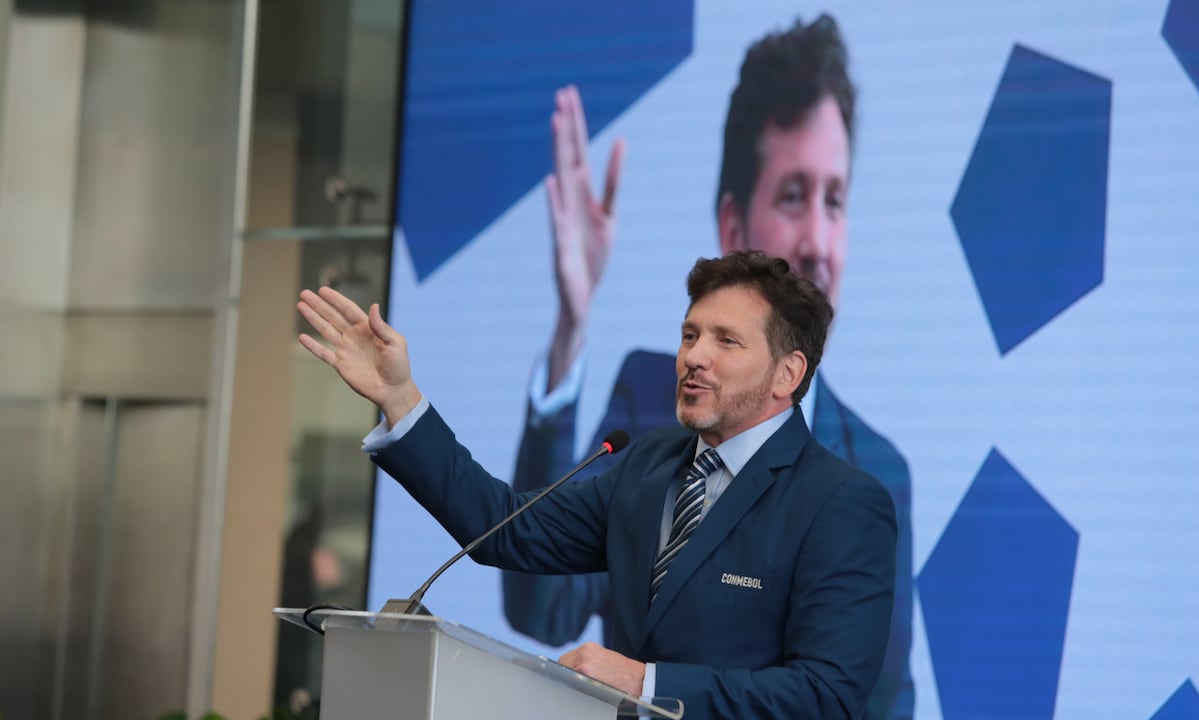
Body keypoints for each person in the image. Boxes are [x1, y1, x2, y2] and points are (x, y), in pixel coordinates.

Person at [509, 14, 915, 718]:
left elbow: (869, 703)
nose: (819, 239)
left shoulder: (878, 471)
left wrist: (651, 684)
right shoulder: (649, 402)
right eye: (793, 196)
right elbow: (543, 606)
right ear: (733, 225)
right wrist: (572, 326)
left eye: (836, 200)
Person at [296, 251, 898, 719]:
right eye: (690, 335)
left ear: (787, 374)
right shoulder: (653, 460)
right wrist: (401, 400)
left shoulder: (840, 503)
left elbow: (827, 695)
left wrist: (648, 685)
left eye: (726, 340)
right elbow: (506, 529)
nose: (694, 357)